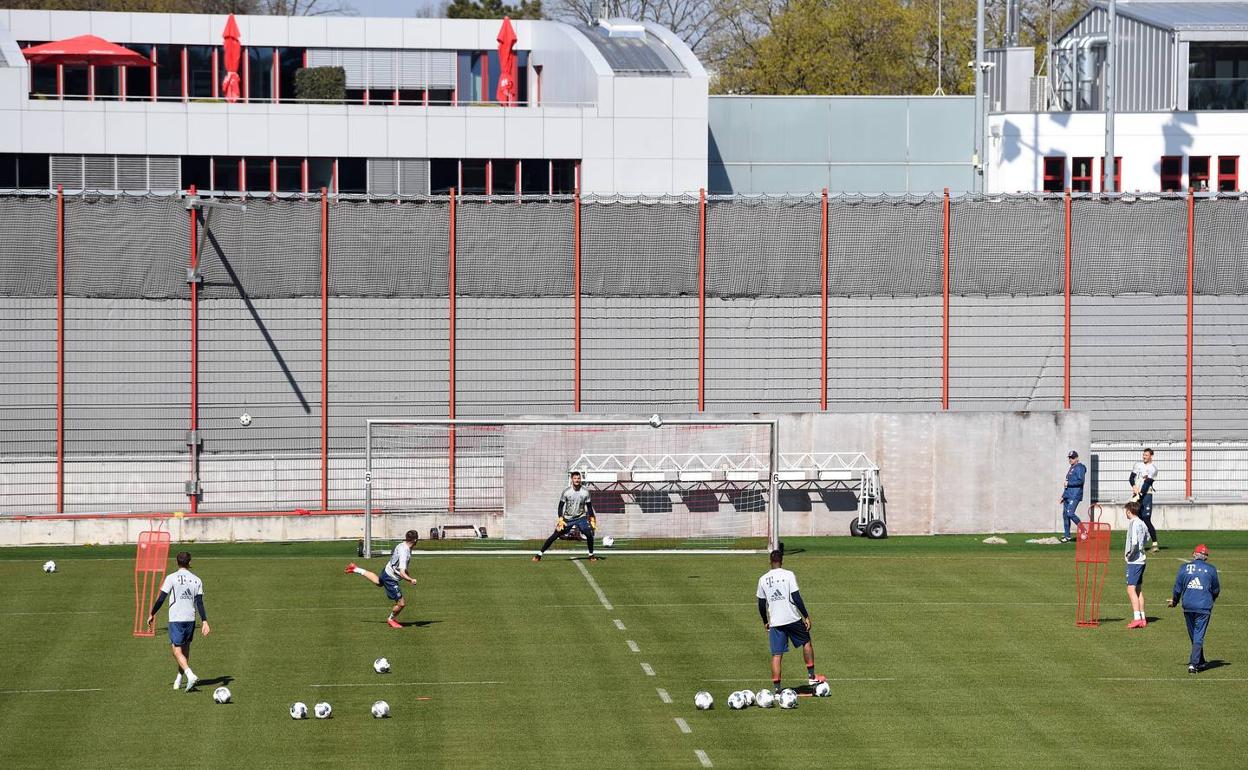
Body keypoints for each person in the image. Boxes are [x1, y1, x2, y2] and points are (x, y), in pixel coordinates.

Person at [756, 549, 825, 689]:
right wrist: (806, 616)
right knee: (806, 642)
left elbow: (761, 604)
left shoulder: (762, 579)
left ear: (770, 561)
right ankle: (812, 677)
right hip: (792, 619)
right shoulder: (788, 575)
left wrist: (765, 621)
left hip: (776, 622)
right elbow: (796, 597)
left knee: (776, 655)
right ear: (782, 561)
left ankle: (777, 690)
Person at [146, 551, 210, 692]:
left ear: (177, 562)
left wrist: (152, 613)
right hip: (190, 619)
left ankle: (189, 674)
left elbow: (162, 598)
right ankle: (179, 679)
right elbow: (199, 602)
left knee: (176, 650)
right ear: (190, 563)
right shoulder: (197, 580)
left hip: (176, 618)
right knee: (185, 650)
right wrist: (204, 621)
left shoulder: (171, 578)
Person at [345, 529, 418, 629]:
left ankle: (355, 569)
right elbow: (401, 572)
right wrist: (411, 579)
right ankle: (391, 619)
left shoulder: (401, 545)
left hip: (387, 569)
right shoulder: (405, 552)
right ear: (415, 540)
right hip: (391, 578)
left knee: (378, 582)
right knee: (401, 603)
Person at [1168, 544, 1220, 673]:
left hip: (1188, 606)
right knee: (1198, 635)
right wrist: (1211, 600)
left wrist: (1175, 601)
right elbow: (1216, 589)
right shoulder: (1211, 569)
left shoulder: (1183, 568)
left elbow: (1177, 587)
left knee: (1194, 635)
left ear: (1194, 555)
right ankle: (1194, 664)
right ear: (1205, 557)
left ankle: (1200, 661)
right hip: (1203, 607)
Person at [533, 471, 598, 562]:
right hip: (567, 519)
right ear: (572, 479)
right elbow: (560, 506)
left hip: (581, 517)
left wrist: (592, 519)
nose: (577, 480)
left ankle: (591, 555)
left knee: (589, 534)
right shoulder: (566, 492)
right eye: (575, 478)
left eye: (578, 478)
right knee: (555, 535)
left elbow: (589, 507)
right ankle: (539, 554)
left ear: (580, 479)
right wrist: (560, 518)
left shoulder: (585, 492)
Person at [1124, 501, 1149, 628]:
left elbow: (1134, 542)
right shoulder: (1143, 523)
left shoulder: (1134, 523)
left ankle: (1137, 618)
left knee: (1130, 589)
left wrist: (1130, 554)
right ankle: (1143, 618)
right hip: (1142, 559)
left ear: (1129, 511)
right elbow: (1147, 538)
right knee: (1138, 590)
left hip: (1135, 561)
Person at [1129, 448, 1160, 552]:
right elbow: (1131, 478)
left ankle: (1155, 544)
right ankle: (1139, 543)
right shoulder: (1137, 465)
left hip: (1146, 495)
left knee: (1146, 519)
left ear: (1151, 456)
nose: (1144, 457)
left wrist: (1140, 494)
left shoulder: (1153, 468)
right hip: (1136, 493)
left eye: (1146, 455)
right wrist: (1134, 487)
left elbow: (1147, 483)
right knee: (1138, 519)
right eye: (1143, 455)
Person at [1058, 450, 1086, 543]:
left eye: (1072, 458)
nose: (1070, 459)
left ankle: (1084, 531)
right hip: (1068, 495)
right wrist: (1063, 496)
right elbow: (1066, 484)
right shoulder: (1071, 468)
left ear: (1077, 458)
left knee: (1070, 513)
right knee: (1065, 515)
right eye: (1069, 458)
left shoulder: (1080, 468)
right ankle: (1067, 536)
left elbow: (1080, 481)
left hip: (1075, 495)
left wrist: (1069, 483)